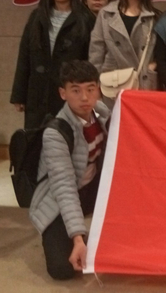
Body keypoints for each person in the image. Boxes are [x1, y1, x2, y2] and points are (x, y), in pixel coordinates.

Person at [29, 60, 110, 280]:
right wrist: (78, 238)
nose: (85, 98)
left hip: (91, 189)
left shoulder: (102, 114)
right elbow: (64, 188)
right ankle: (70, 234)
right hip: (58, 198)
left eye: (90, 89)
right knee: (62, 269)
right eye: (76, 90)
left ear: (98, 90)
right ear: (63, 93)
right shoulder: (55, 133)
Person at [11, 0, 95, 129]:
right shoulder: (37, 16)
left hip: (70, 93)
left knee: (67, 137)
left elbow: (91, 61)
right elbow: (24, 57)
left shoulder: (86, 19)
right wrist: (19, 95)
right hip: (38, 93)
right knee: (36, 138)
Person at [89, 0, 159, 106]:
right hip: (114, 85)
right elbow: (96, 54)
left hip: (144, 85)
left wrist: (151, 67)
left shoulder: (155, 16)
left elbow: (163, 54)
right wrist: (94, 87)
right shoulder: (106, 14)